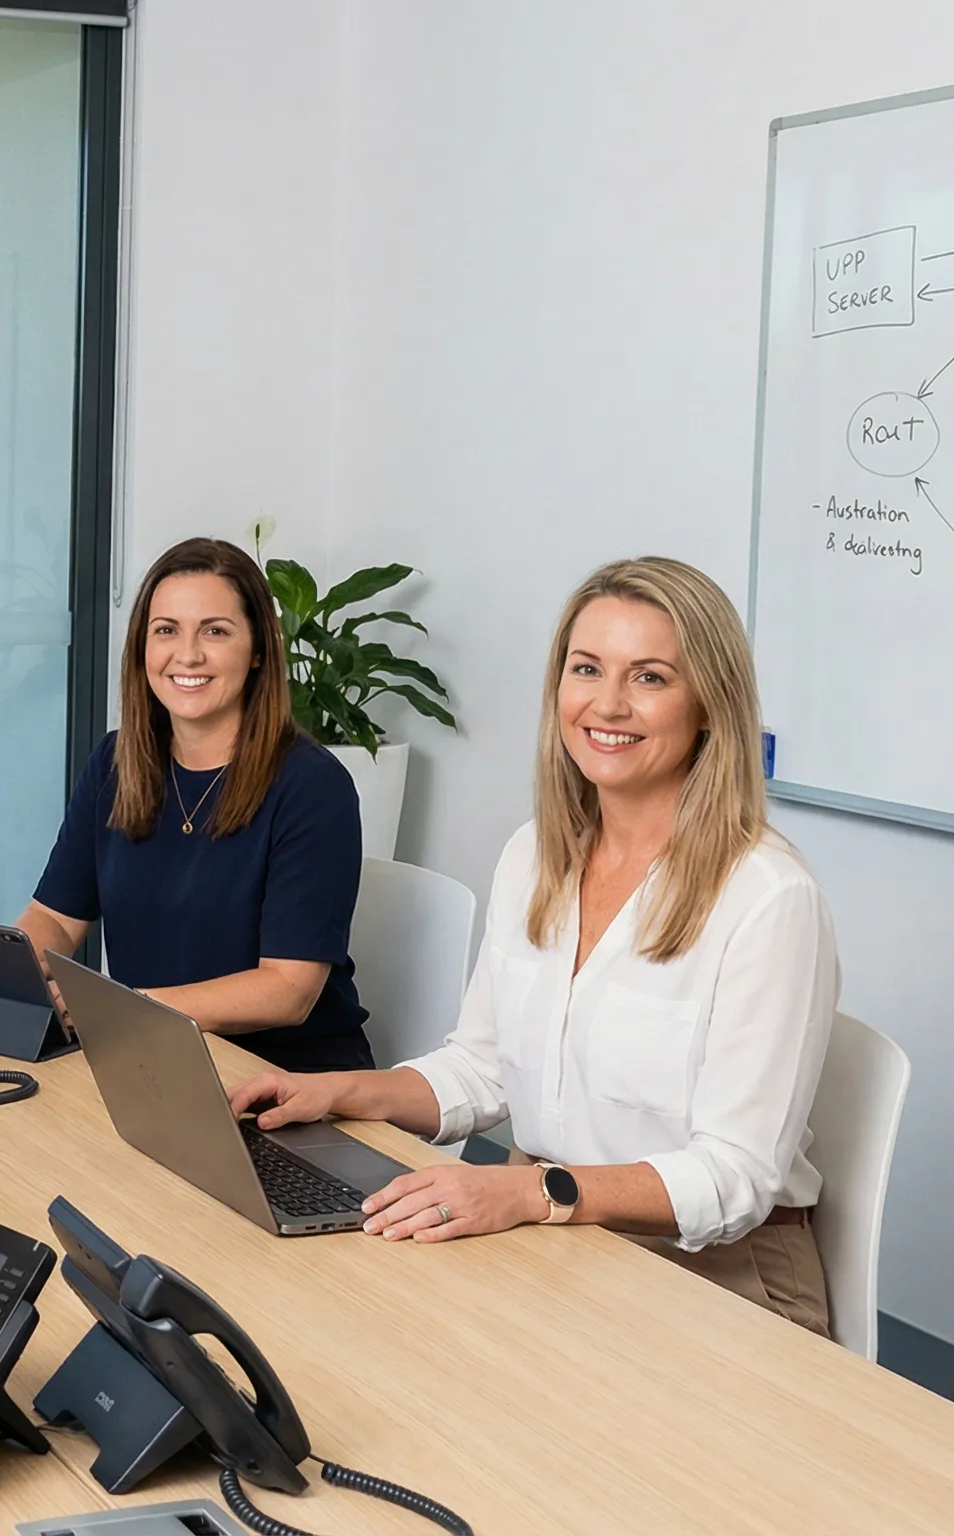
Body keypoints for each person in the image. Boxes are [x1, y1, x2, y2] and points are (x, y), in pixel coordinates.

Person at [229, 557, 839, 1336]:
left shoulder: (767, 898)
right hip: (560, 1235)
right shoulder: (535, 855)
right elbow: (483, 1067)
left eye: (650, 677)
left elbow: (736, 1176)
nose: (608, 704)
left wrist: (531, 1193)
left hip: (720, 1278)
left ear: (710, 707)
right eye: (587, 669)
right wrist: (339, 1092)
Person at [17, 537, 372, 1071]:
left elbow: (288, 990)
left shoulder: (313, 786)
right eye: (166, 631)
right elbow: (56, 920)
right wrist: (4, 974)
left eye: (215, 631)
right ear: (143, 647)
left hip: (287, 1083)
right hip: (151, 1061)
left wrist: (122, 1010)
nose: (188, 654)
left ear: (257, 651)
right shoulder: (116, 762)